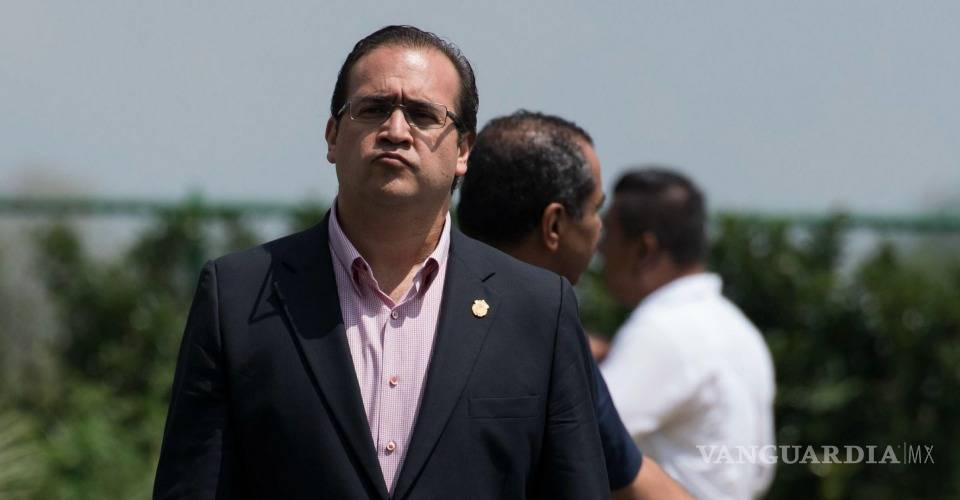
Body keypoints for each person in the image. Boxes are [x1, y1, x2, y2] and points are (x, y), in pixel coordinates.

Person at [153, 26, 608, 500]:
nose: (395, 131)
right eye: (372, 109)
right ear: (332, 136)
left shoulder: (538, 309)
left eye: (423, 115)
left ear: (463, 150)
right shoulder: (239, 296)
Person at [458, 110, 691, 500]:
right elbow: (634, 483)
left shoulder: (409, 311)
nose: (600, 230)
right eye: (596, 210)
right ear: (554, 225)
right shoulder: (547, 338)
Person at [599, 168, 777, 500]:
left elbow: (580, 435)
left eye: (608, 233)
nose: (600, 249)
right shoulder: (737, 327)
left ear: (644, 250)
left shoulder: (660, 330)